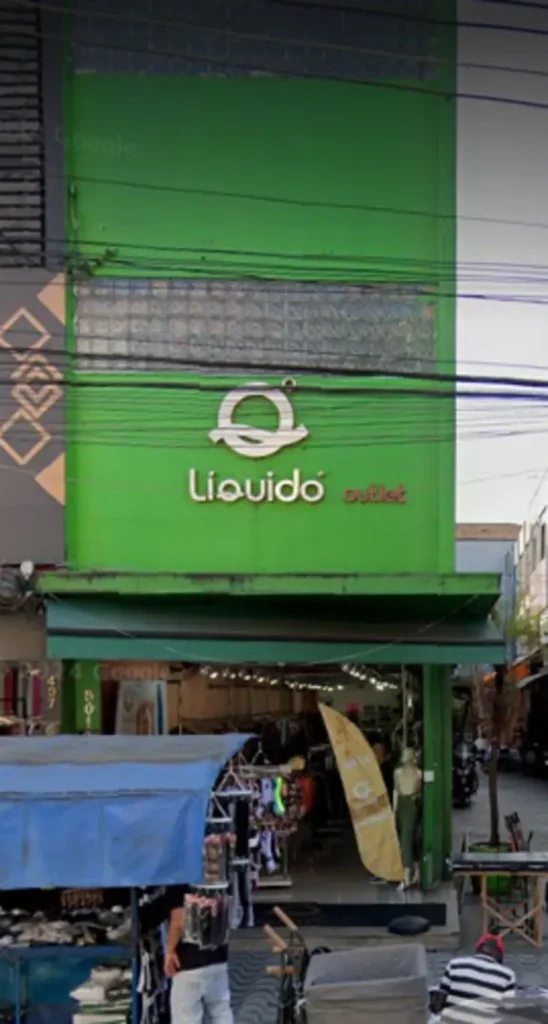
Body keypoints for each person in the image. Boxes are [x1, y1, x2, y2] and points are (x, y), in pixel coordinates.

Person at [164, 886, 233, 1024]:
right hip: (219, 956)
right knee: (221, 1010)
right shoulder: (219, 876)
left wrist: (170, 951)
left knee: (186, 1016)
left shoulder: (179, 880)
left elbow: (178, 918)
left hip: (189, 960)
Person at [436, 934, 516, 1023]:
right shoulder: (507, 975)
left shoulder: (454, 964)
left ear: (478, 949)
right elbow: (508, 1011)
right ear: (499, 955)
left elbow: (439, 1002)